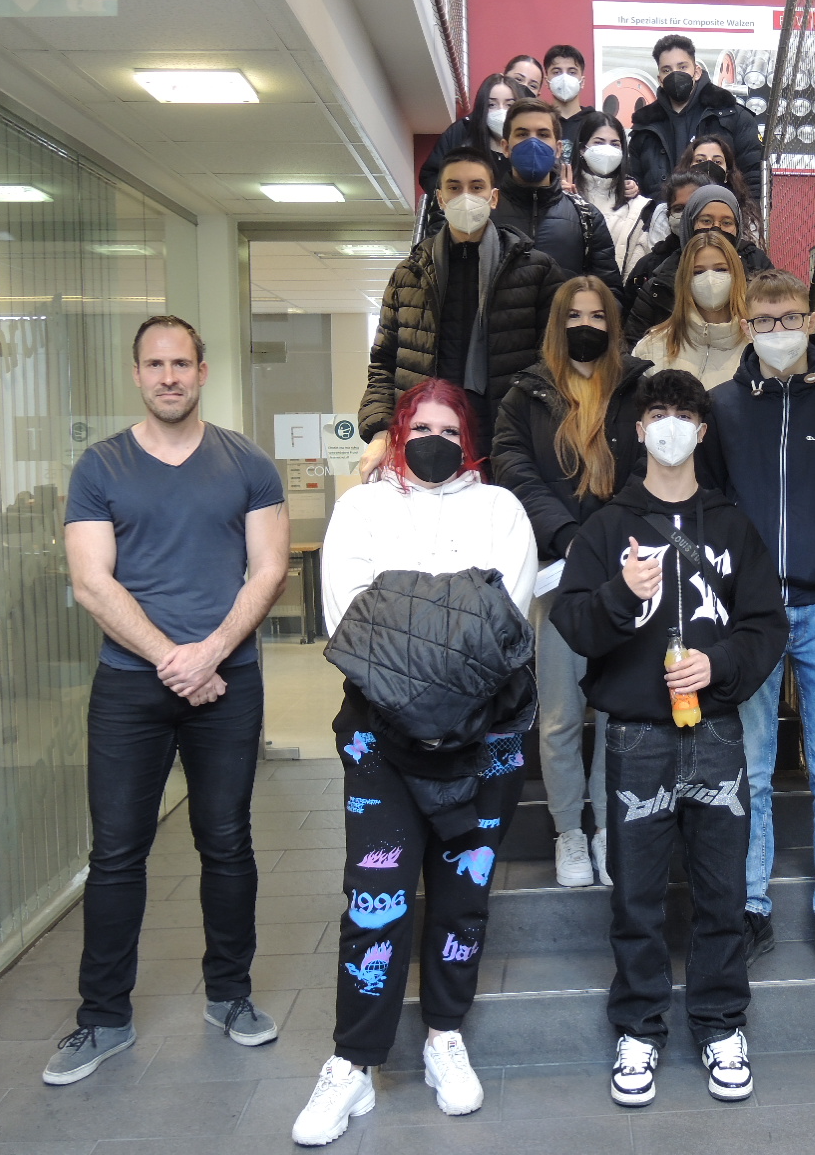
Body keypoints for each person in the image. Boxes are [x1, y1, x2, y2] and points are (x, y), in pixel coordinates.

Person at [291, 380, 538, 1146]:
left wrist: (404, 610)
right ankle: (352, 1063)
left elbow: (506, 626)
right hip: (380, 740)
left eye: (450, 429)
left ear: (469, 441)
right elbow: (349, 621)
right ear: (399, 432)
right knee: (377, 900)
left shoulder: (501, 510)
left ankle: (444, 1038)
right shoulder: (361, 509)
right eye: (421, 426)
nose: (436, 439)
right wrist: (456, 610)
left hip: (486, 739)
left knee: (462, 900)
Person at [47, 316, 289, 1086]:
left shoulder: (247, 464)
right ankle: (103, 1019)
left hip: (228, 681)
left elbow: (269, 569)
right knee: (117, 853)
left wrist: (211, 654)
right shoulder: (101, 466)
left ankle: (230, 997)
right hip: (130, 686)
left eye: (181, 363)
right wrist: (174, 660)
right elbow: (91, 581)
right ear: (137, 374)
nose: (169, 377)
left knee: (227, 842)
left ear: (203, 371)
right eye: (155, 364)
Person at [551, 369, 788, 1108]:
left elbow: (767, 625)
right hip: (636, 737)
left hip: (716, 731)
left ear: (702, 430)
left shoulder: (732, 524)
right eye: (657, 413)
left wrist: (720, 666)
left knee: (722, 892)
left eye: (683, 414)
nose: (670, 426)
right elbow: (574, 622)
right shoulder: (607, 525)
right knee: (637, 896)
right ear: (639, 428)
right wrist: (623, 595)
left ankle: (721, 1024)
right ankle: (639, 1028)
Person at [702, 270, 815, 978]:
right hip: (750, 616)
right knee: (749, 768)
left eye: (790, 318)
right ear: (746, 327)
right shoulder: (722, 407)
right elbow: (709, 512)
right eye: (764, 320)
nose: (778, 331)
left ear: (810, 321)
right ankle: (751, 904)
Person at [492, 277, 653, 888]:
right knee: (561, 716)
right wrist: (566, 535)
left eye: (598, 315)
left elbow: (651, 467)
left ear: (614, 324)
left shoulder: (638, 388)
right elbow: (514, 467)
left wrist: (607, 540)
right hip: (558, 576)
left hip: (626, 571)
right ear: (557, 325)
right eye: (574, 316)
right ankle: (569, 833)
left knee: (615, 712)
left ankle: (609, 828)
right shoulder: (524, 395)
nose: (587, 325)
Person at [358, 146, 567, 470]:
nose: (465, 196)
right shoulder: (410, 275)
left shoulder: (536, 271)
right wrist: (380, 431)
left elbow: (555, 363)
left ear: (493, 198)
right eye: (454, 187)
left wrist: (541, 430)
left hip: (511, 444)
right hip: (426, 445)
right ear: (440, 199)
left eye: (476, 187)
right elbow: (383, 364)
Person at [493, 98, 622, 289]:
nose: (533, 143)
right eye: (522, 134)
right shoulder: (485, 212)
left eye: (543, 134)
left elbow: (609, 293)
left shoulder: (587, 217)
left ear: (558, 148)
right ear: (505, 147)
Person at [623, 184, 771, 348]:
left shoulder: (757, 268)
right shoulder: (659, 282)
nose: (716, 228)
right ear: (690, 224)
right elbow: (632, 344)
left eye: (727, 222)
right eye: (706, 221)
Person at [627, 33, 764, 203]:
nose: (675, 74)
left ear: (697, 72)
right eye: (667, 70)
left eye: (682, 67)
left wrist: (750, 216)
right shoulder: (644, 128)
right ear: (660, 79)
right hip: (660, 218)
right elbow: (633, 184)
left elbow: (755, 177)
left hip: (720, 216)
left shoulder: (734, 117)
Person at [632, 230, 749, 389]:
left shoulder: (756, 346)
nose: (710, 279)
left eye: (720, 269)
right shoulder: (650, 347)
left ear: (737, 275)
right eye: (698, 272)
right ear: (684, 279)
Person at [572, 111, 655, 279]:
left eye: (615, 144)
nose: (607, 150)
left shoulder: (638, 205)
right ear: (582, 148)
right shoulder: (566, 196)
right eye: (598, 142)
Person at [419, 73, 519, 202]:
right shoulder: (462, 132)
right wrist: (456, 197)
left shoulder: (529, 141)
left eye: (509, 105)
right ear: (482, 107)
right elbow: (430, 175)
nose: (501, 111)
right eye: (491, 105)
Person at [650, 136, 762, 244]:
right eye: (700, 160)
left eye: (717, 162)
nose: (709, 164)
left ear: (728, 173)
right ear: (687, 167)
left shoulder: (745, 212)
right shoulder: (664, 211)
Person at [544, 43, 591, 160]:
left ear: (582, 82)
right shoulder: (540, 121)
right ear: (547, 81)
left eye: (572, 72)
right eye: (556, 72)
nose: (564, 78)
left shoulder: (595, 122)